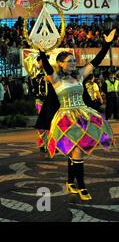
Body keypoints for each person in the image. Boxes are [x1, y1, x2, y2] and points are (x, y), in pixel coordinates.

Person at [39, 29, 116, 201]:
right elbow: (45, 65)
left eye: (74, 60)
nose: (74, 63)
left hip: (83, 117)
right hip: (66, 119)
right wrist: (42, 52)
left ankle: (70, 182)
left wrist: (107, 44)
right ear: (60, 64)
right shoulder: (55, 79)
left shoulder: (79, 76)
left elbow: (96, 61)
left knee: (75, 150)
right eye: (70, 61)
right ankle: (81, 187)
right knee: (75, 151)